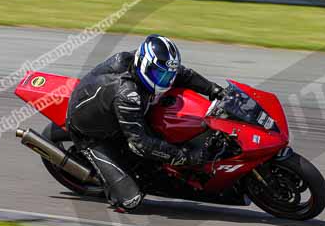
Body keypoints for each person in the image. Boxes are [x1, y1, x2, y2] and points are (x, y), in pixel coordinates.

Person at [66, 34, 225, 211]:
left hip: (107, 108)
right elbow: (141, 144)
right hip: (90, 133)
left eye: (167, 75)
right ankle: (109, 185)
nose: (166, 80)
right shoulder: (127, 95)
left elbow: (182, 73)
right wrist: (186, 157)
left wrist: (213, 89)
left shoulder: (145, 62)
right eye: (160, 75)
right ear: (144, 66)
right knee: (131, 200)